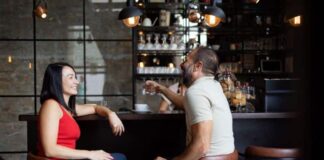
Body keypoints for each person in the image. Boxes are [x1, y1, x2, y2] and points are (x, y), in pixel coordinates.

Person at [147, 47, 236, 160]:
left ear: (198, 66)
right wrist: (161, 89)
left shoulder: (196, 91)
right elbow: (184, 103)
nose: (181, 65)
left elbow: (202, 145)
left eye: (186, 60)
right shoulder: (213, 85)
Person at [37, 62, 127, 160]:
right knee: (120, 158)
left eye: (75, 77)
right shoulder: (51, 105)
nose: (77, 81)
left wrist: (111, 114)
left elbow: (95, 107)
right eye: (71, 77)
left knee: (120, 156)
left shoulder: (67, 109)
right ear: (56, 81)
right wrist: (91, 154)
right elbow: (50, 150)